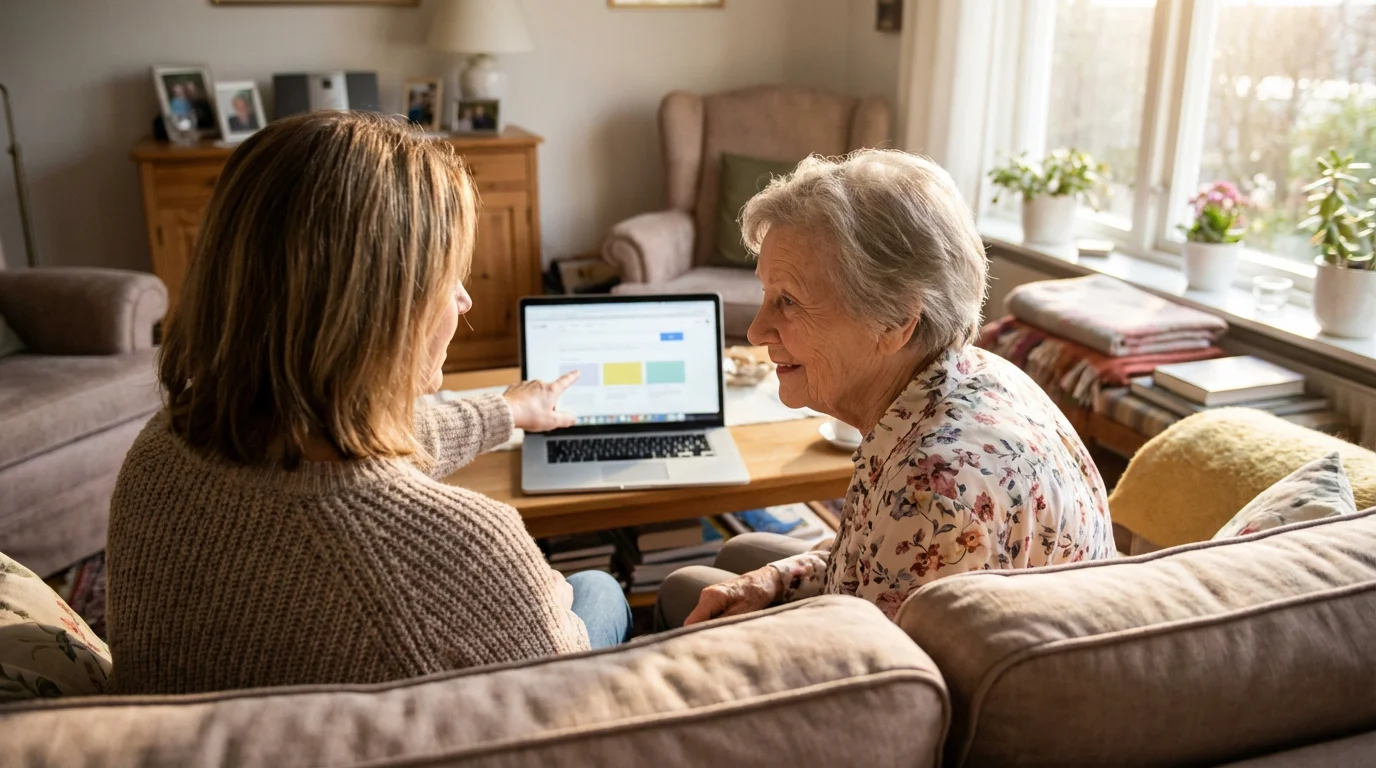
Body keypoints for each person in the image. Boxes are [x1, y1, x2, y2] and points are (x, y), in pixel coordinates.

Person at [107, 111, 631, 695]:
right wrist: (541, 591)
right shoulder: (463, 548)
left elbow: (353, 442)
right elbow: (573, 711)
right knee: (598, 590)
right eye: (449, 276)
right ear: (381, 308)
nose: (462, 300)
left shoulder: (160, 449)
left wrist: (506, 410)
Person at [657, 150, 1117, 628]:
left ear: (896, 321)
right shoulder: (972, 371)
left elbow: (879, 688)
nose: (756, 331)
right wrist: (775, 580)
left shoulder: (933, 485)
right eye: (767, 295)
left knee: (679, 590)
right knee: (741, 553)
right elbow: (869, 558)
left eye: (788, 301)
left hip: (923, 685)